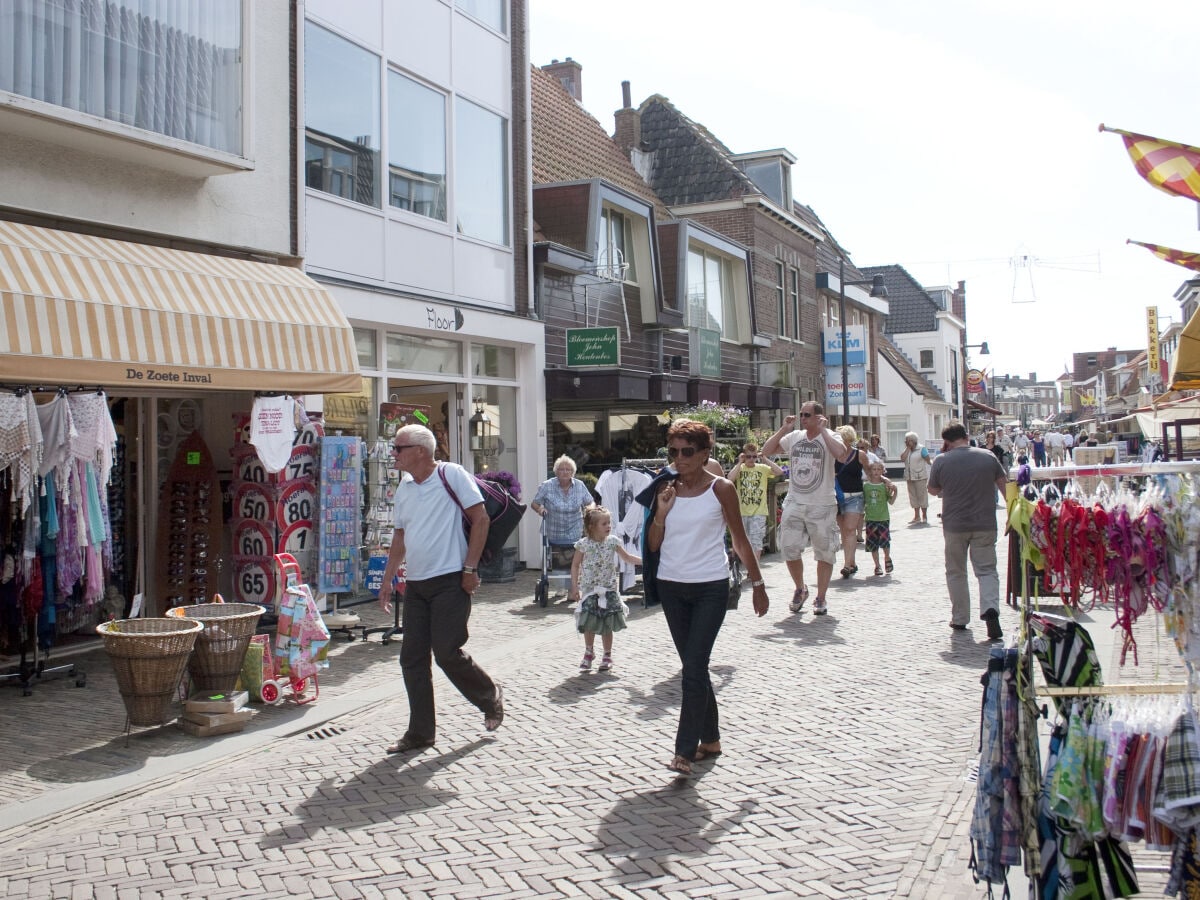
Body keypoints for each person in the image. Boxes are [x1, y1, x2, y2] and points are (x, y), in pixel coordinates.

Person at [639, 419, 768, 777]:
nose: (679, 459)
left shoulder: (722, 489)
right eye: (673, 452)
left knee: (693, 668)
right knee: (695, 668)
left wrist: (757, 585)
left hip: (711, 586)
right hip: (671, 586)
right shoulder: (664, 488)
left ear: (705, 454)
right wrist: (661, 513)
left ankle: (683, 750)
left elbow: (739, 542)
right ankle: (710, 739)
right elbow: (652, 545)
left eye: (687, 452)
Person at [378, 424, 504, 754]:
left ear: (420, 450)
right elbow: (401, 537)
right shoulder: (404, 489)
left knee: (447, 652)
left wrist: (469, 568)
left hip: (450, 579)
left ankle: (489, 697)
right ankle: (420, 733)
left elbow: (481, 520)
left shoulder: (452, 474)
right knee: (412, 659)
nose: (394, 453)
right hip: (417, 584)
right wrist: (389, 578)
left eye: (398, 448)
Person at [761, 402, 848, 616]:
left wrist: (823, 431)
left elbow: (842, 455)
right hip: (795, 501)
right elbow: (766, 451)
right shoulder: (795, 436)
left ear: (819, 416)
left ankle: (821, 597)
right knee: (788, 547)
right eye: (801, 414)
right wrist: (784, 429)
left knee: (824, 552)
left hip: (822, 504)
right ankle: (800, 588)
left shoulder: (830, 436)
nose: (802, 418)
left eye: (807, 415)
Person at [927, 420, 1010, 641]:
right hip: (985, 523)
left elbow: (933, 489)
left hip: (955, 525)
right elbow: (1005, 485)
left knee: (956, 571)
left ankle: (960, 617)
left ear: (946, 442)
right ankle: (990, 608)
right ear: (966, 435)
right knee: (987, 570)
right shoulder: (988, 456)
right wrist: (1012, 511)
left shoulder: (942, 460)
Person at [570, 507, 642, 672]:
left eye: (609, 522)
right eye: (604, 523)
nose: (609, 526)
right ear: (592, 526)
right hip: (590, 590)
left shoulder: (613, 542)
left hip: (608, 590)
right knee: (589, 621)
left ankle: (607, 654)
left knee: (606, 623)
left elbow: (627, 557)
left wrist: (646, 561)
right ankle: (589, 651)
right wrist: (574, 586)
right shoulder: (583, 545)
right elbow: (575, 565)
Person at [530, 455, 595, 567]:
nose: (565, 472)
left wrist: (590, 508)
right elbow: (534, 503)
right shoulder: (547, 486)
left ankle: (574, 578)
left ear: (572, 472)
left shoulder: (580, 485)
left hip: (575, 532)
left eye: (568, 469)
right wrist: (540, 509)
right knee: (557, 564)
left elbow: (590, 502)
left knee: (574, 564)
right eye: (561, 469)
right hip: (554, 532)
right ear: (556, 471)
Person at [727, 442, 784, 561]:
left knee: (756, 541)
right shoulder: (740, 469)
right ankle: (748, 566)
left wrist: (764, 458)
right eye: (748, 456)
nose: (751, 459)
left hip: (759, 511)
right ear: (744, 456)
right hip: (742, 511)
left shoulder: (762, 468)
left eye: (754, 456)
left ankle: (754, 570)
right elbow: (730, 478)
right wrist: (739, 462)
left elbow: (779, 471)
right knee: (743, 541)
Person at [834, 426, 868, 578]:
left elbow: (870, 471)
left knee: (849, 529)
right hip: (837, 497)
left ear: (848, 440)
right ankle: (852, 562)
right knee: (844, 531)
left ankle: (847, 565)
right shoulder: (832, 455)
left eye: (841, 440)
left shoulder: (860, 455)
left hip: (855, 496)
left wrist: (884, 480)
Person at [862, 461, 897, 576]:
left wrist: (895, 491)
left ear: (882, 471)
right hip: (870, 519)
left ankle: (887, 558)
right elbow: (863, 502)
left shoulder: (884, 486)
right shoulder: (866, 486)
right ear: (870, 472)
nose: (876, 471)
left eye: (878, 469)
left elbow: (891, 501)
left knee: (885, 542)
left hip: (883, 518)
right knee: (873, 544)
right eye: (874, 469)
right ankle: (877, 566)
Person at [899, 432, 931, 524]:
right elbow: (902, 459)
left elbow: (928, 459)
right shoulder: (906, 450)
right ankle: (916, 516)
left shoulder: (922, 448)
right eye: (906, 441)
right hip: (909, 477)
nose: (906, 442)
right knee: (912, 496)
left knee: (922, 496)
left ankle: (924, 515)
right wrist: (908, 448)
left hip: (920, 476)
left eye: (907, 441)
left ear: (913, 441)